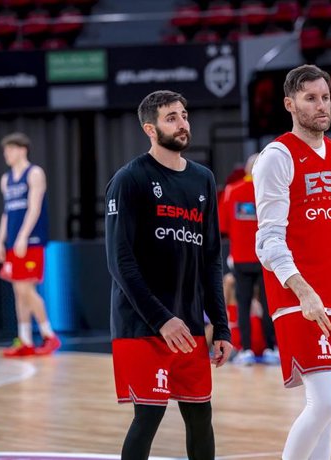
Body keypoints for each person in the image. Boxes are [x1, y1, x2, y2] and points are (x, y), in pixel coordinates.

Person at [104, 90, 233, 460]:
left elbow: (211, 259)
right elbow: (119, 263)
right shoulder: (130, 180)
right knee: (148, 414)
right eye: (171, 118)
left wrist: (220, 328)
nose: (182, 124)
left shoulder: (203, 180)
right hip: (143, 326)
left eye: (184, 115)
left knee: (200, 415)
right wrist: (162, 319)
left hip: (189, 326)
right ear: (150, 128)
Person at [252, 64, 331, 459]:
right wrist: (303, 291)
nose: (321, 106)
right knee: (326, 401)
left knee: (328, 414)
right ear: (290, 103)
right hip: (298, 293)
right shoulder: (276, 156)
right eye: (310, 98)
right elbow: (267, 239)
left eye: (325, 97)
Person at [0, 132, 61, 358]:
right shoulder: (6, 179)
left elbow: (34, 208)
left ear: (22, 149)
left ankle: (49, 335)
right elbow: (7, 212)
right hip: (14, 240)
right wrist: (1, 239)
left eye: (10, 149)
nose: (6, 154)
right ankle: (25, 340)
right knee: (18, 291)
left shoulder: (34, 173)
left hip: (30, 240)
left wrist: (23, 236)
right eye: (5, 150)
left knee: (25, 288)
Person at [219, 153, 279, 365]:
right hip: (266, 258)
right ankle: (271, 348)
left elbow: (223, 226)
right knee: (268, 305)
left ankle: (245, 351)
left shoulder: (231, 191)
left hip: (241, 259)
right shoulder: (270, 191)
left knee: (243, 305)